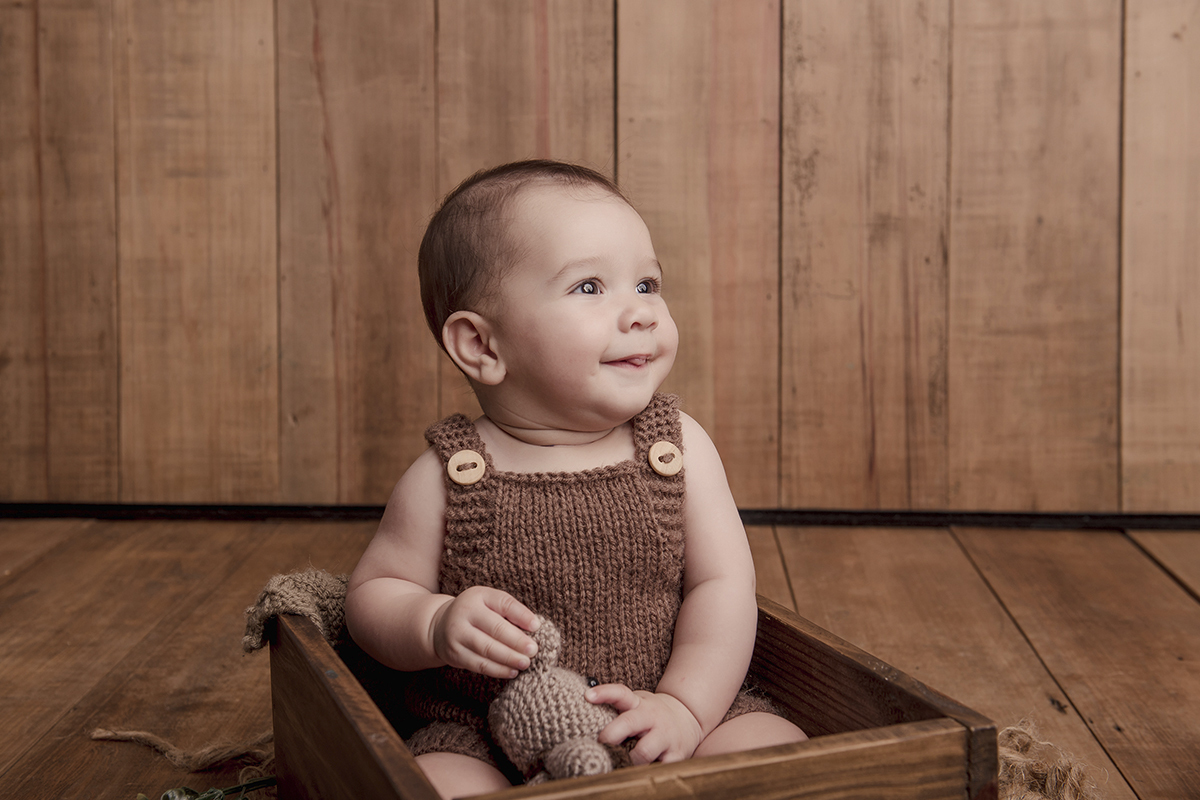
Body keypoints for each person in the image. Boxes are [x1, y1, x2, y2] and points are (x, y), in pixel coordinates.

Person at [345, 160, 806, 798]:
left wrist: (686, 707)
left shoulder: (676, 449)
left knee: (778, 752)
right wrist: (434, 622)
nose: (640, 312)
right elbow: (372, 594)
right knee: (437, 786)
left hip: (667, 705)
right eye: (590, 287)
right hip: (488, 728)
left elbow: (722, 585)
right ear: (482, 345)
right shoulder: (448, 477)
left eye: (647, 283)